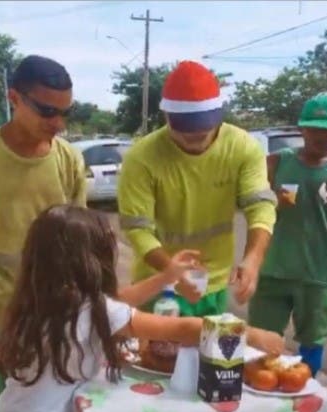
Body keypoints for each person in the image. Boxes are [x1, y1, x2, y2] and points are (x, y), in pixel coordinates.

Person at [0, 205, 284, 412]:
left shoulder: (38, 298)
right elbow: (180, 328)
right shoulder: (93, 311)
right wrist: (251, 334)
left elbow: (117, 302)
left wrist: (165, 277)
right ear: (92, 260)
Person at [118, 60, 277, 318]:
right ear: (167, 117)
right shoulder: (142, 158)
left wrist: (253, 259)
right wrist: (172, 273)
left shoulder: (243, 147)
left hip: (213, 284)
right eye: (184, 134)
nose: (195, 142)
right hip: (157, 286)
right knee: (155, 356)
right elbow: (138, 230)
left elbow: (260, 205)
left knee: (209, 355)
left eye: (203, 134)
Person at [0, 55, 87, 407]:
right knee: (11, 411)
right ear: (14, 99)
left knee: (60, 409)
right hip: (3, 312)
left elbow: (80, 237)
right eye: (46, 111)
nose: (58, 123)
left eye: (65, 112)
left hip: (60, 310)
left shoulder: (68, 159)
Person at [248, 93, 327, 377]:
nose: (319, 136)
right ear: (302, 129)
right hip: (273, 270)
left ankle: (306, 395)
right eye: (313, 128)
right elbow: (249, 203)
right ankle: (259, 396)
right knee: (261, 342)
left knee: (312, 343)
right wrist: (268, 198)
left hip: (318, 273)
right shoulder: (277, 162)